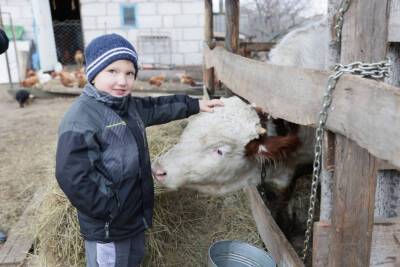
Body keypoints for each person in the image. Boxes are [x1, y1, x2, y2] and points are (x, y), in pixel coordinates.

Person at [55, 33, 223, 267]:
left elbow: (158, 107)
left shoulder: (129, 106)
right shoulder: (81, 119)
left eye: (129, 73)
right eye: (112, 71)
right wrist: (110, 208)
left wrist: (195, 105)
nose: (122, 81)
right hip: (109, 226)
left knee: (133, 260)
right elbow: (72, 175)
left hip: (134, 217)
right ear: (93, 74)